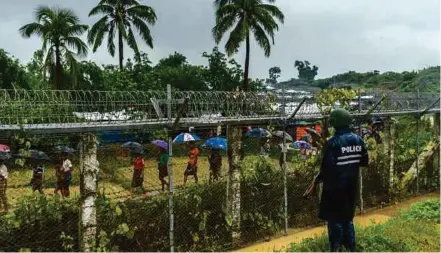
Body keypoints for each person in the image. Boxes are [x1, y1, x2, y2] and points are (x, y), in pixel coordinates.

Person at [303, 108, 368, 252]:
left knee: (335, 222)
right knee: (348, 220)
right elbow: (364, 161)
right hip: (351, 188)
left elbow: (326, 169)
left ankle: (336, 249)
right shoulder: (359, 140)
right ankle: (351, 248)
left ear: (334, 123)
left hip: (334, 189)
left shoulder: (333, 143)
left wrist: (315, 182)